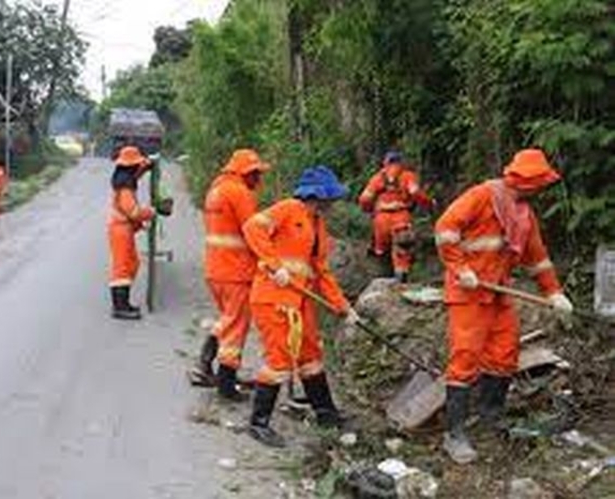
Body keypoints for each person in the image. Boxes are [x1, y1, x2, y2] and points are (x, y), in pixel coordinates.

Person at [434, 148, 573, 464]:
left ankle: (490, 417)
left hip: (499, 293)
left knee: (504, 353)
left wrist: (554, 293)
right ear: (525, 181)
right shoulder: (482, 196)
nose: (540, 190)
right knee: (465, 357)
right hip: (468, 291)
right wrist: (461, 269)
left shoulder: (524, 213)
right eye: (538, 184)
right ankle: (454, 433)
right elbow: (445, 229)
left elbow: (538, 258)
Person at [242, 165, 359, 447]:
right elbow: (252, 228)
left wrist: (343, 307)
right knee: (279, 362)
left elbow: (322, 272)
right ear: (318, 195)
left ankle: (326, 413)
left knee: (311, 356)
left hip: (301, 300)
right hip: (274, 298)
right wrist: (274, 265)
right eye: (330, 198)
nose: (333, 204)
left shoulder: (317, 224)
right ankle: (258, 423)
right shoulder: (289, 209)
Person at [189, 149, 271, 401]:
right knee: (236, 328)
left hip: (216, 269)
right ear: (247, 173)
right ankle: (226, 385)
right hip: (236, 271)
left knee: (228, 319)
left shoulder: (216, 189)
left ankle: (204, 365)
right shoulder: (239, 193)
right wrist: (271, 260)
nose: (259, 179)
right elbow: (253, 231)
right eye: (256, 174)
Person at [108, 145, 169, 320]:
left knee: (132, 263)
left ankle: (123, 302)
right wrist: (151, 212)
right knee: (123, 266)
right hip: (120, 229)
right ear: (130, 167)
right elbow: (133, 212)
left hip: (122, 228)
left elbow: (138, 172)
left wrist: (149, 163)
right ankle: (120, 307)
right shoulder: (125, 188)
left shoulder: (125, 178)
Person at [358, 151, 433, 282]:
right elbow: (415, 192)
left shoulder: (377, 178)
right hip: (402, 217)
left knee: (381, 252)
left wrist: (369, 210)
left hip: (381, 219)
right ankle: (401, 279)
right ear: (401, 163)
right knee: (402, 251)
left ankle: (379, 281)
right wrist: (429, 203)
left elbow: (365, 199)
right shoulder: (407, 176)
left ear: (385, 163)